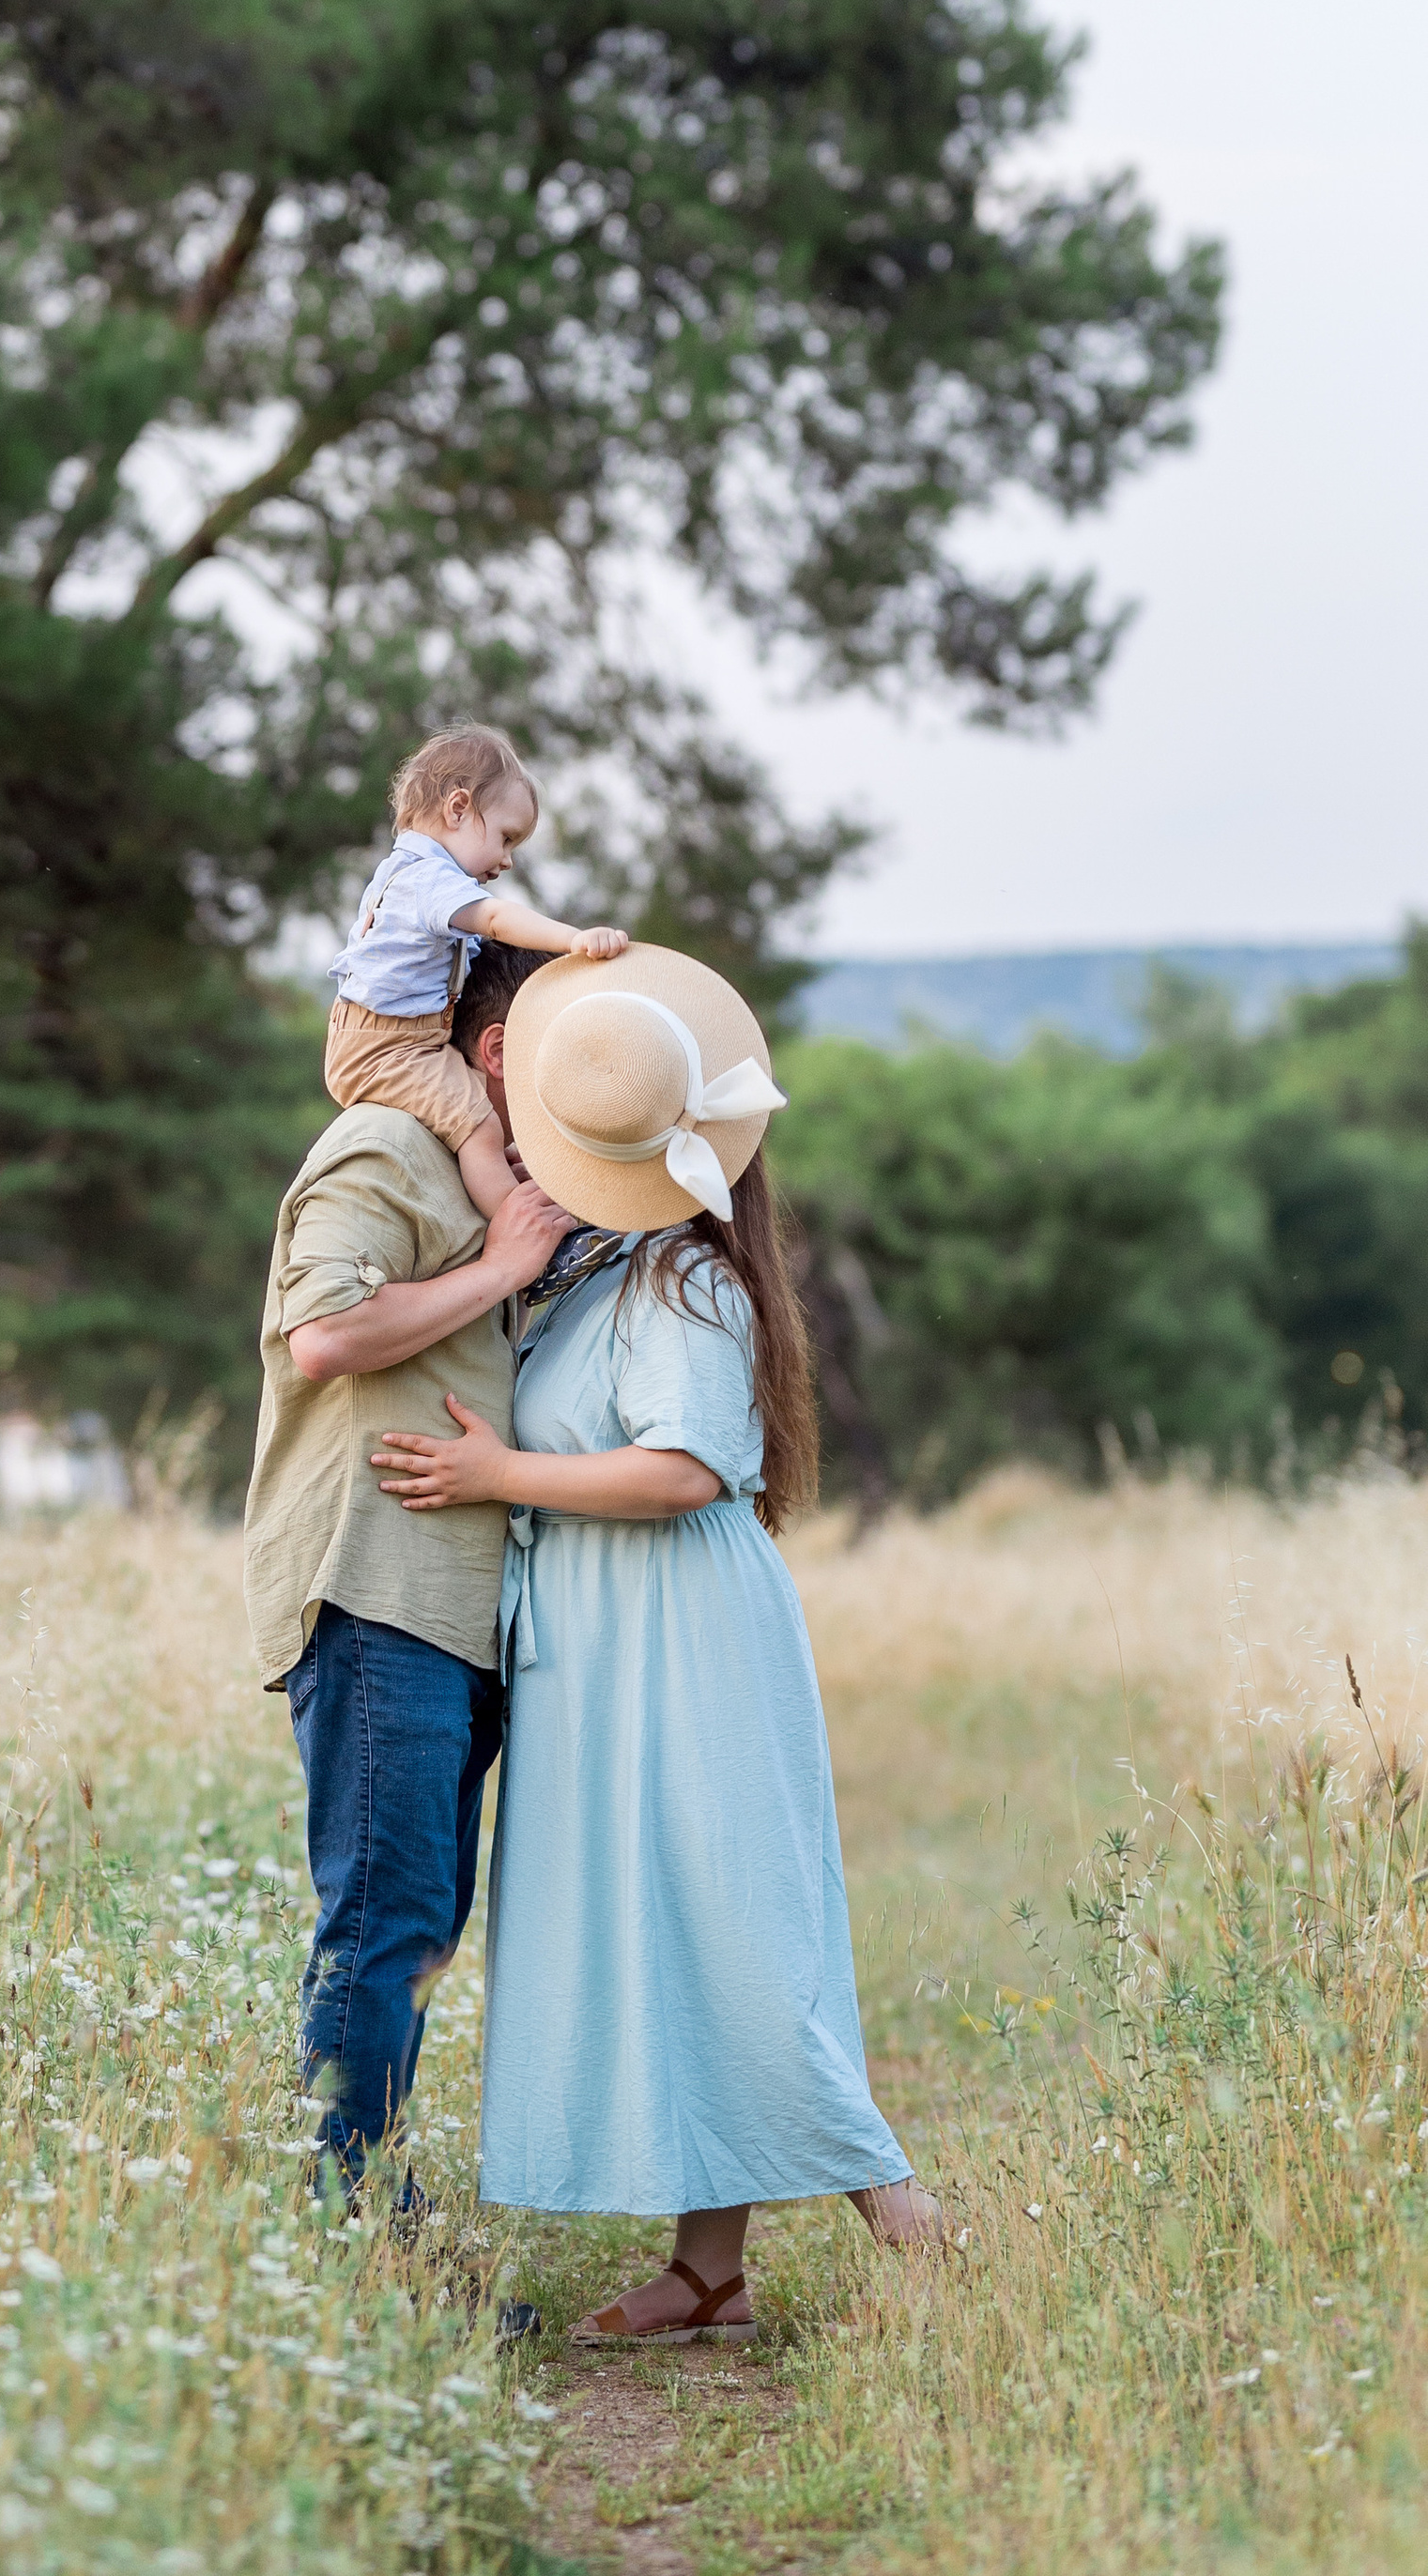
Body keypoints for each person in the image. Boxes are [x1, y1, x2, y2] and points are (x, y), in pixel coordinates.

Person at [371, 944, 941, 2337]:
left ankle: (913, 2224)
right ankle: (710, 2273)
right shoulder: (601, 1268)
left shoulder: (679, 1276)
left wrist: (496, 1474)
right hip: (611, 1631)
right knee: (680, 1920)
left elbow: (682, 1470)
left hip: (676, 1631)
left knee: (729, 1920)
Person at [244, 939, 572, 2195]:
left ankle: (369, 2201)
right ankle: (343, 2217)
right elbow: (325, 1332)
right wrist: (501, 1270)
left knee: (421, 1924)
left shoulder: (491, 1180)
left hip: (448, 1607)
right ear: (496, 1052)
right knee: (384, 1922)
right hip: (375, 1592)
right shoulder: (383, 1144)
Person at [322, 724, 635, 1226]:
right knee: (480, 1128)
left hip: (388, 1038)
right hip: (390, 1049)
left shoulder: (404, 872)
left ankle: (506, 1188)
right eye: (506, 838)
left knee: (477, 1113)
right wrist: (574, 940)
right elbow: (495, 919)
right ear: (458, 809)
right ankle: (526, 1234)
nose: (507, 860)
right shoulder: (431, 880)